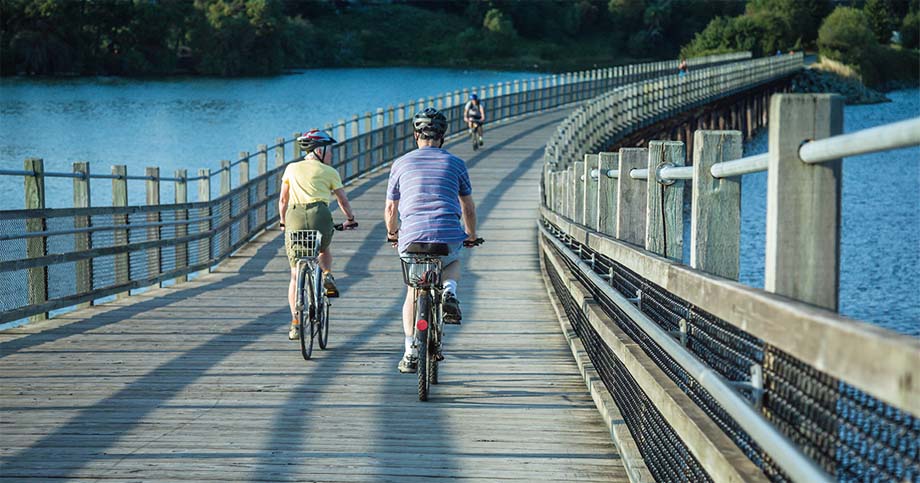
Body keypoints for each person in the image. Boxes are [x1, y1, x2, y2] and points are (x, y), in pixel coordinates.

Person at [384, 107, 478, 373]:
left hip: (411, 236)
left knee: (413, 288)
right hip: (447, 233)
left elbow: (391, 210)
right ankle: (449, 290)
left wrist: (392, 233)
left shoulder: (400, 163)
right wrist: (470, 235)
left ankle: (410, 350)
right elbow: (468, 207)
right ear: (443, 136)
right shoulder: (456, 163)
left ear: (416, 135)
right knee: (454, 259)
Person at [279, 129, 357, 340]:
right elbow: (342, 201)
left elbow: (283, 201)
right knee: (323, 247)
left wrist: (283, 223)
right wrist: (350, 218)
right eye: (329, 150)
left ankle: (295, 323)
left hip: (294, 216)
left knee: (295, 273)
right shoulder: (329, 171)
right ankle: (326, 275)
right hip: (320, 215)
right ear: (319, 150)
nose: (331, 154)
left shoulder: (291, 169)